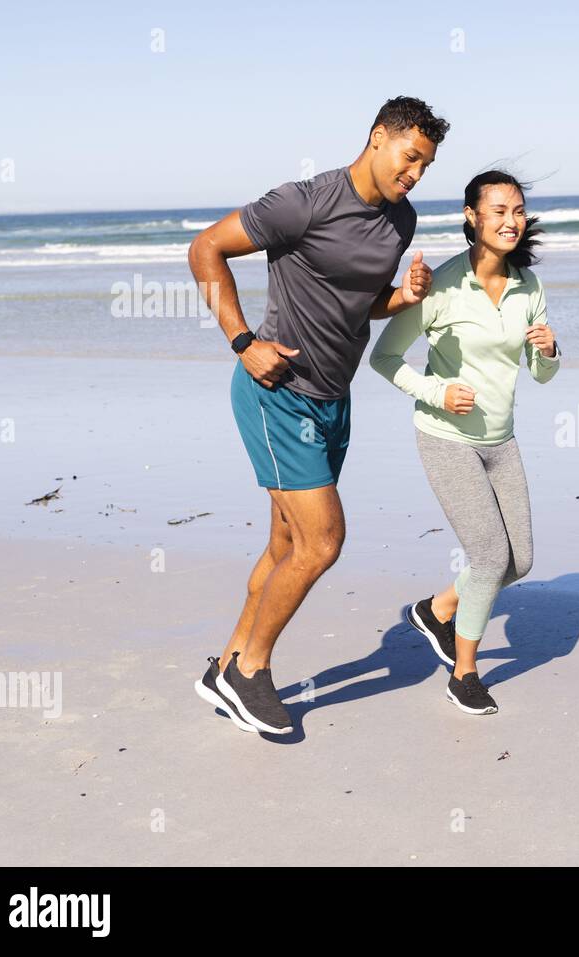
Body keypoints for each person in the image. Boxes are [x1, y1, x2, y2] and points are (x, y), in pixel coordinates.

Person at [187, 96, 449, 735]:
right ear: (378, 137)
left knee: (286, 543)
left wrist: (403, 298)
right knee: (323, 539)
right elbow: (206, 249)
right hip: (278, 393)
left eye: (426, 166)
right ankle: (252, 672)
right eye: (410, 157)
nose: (414, 174)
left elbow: (360, 303)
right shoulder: (303, 201)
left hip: (334, 400)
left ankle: (225, 665)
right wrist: (244, 342)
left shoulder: (400, 221)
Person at [370, 170, 560, 715]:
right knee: (488, 556)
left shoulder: (530, 286)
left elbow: (542, 374)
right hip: (446, 437)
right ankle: (464, 673)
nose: (511, 221)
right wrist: (435, 390)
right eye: (498, 210)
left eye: (518, 210)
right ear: (472, 217)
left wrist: (549, 350)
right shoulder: (443, 287)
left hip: (501, 440)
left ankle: (436, 610)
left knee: (518, 562)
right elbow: (383, 359)